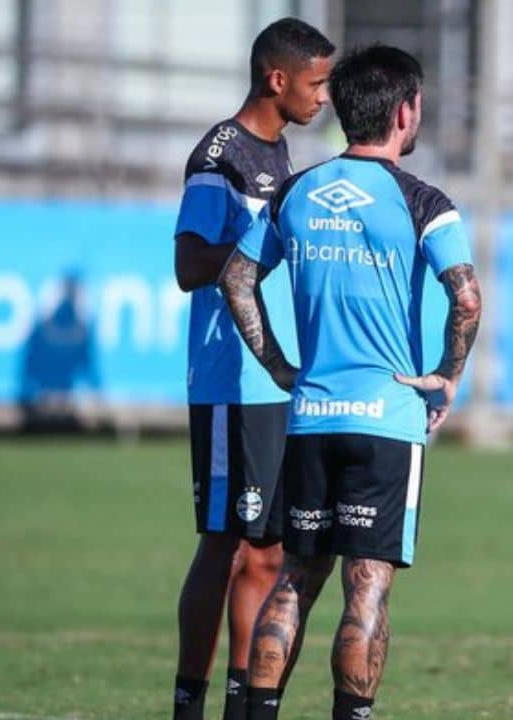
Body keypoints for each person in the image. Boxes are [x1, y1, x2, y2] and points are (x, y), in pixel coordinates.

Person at [219, 44, 481, 720]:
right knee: (366, 590)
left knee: (295, 579)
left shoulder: (297, 192)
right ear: (406, 110)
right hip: (386, 419)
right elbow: (468, 298)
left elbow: (237, 279)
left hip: (310, 418)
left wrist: (279, 365)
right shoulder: (423, 200)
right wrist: (448, 376)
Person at [171, 18, 333, 720]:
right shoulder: (220, 159)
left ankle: (243, 704)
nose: (324, 96)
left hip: (273, 378)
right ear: (278, 79)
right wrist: (259, 253)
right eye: (316, 82)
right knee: (225, 542)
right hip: (228, 381)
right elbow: (189, 264)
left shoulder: (280, 149)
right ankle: (189, 701)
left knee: (267, 547)